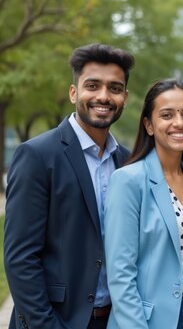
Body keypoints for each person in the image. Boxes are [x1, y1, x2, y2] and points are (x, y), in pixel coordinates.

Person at [3, 43, 134, 329]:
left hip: (114, 320)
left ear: (125, 97)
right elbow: (20, 259)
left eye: (114, 88)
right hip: (55, 321)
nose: (103, 96)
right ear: (74, 92)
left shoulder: (128, 162)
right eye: (92, 85)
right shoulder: (37, 155)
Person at [104, 79, 183, 329]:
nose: (179, 122)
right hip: (149, 319)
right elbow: (121, 274)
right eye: (167, 115)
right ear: (149, 125)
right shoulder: (128, 182)